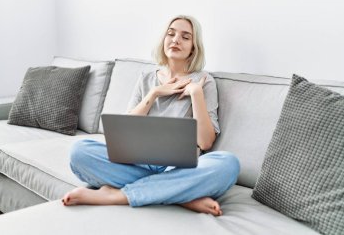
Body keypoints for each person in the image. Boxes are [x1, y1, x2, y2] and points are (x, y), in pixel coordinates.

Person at [62, 15, 240, 216]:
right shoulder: (146, 78)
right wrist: (154, 93)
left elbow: (206, 142)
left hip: (181, 166)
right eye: (171, 34)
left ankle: (117, 195)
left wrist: (195, 94)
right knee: (80, 151)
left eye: (185, 37)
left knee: (228, 164)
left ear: (194, 47)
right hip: (137, 161)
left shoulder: (204, 82)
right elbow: (125, 131)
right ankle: (181, 195)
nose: (175, 40)